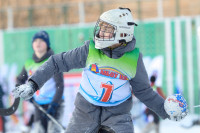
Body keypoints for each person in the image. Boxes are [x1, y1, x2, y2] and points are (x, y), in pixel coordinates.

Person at [12, 8, 187, 133]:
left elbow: (144, 92)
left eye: (107, 30)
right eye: (101, 27)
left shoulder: (133, 59)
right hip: (84, 113)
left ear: (123, 34)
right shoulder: (90, 49)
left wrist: (166, 111)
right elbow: (58, 62)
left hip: (118, 116)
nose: (100, 33)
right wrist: (33, 84)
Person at [15, 30, 64, 133]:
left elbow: (60, 85)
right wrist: (26, 94)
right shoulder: (29, 63)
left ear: (47, 44)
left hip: (54, 104)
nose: (38, 43)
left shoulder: (53, 61)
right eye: (35, 41)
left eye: (41, 40)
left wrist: (54, 104)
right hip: (38, 104)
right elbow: (19, 80)